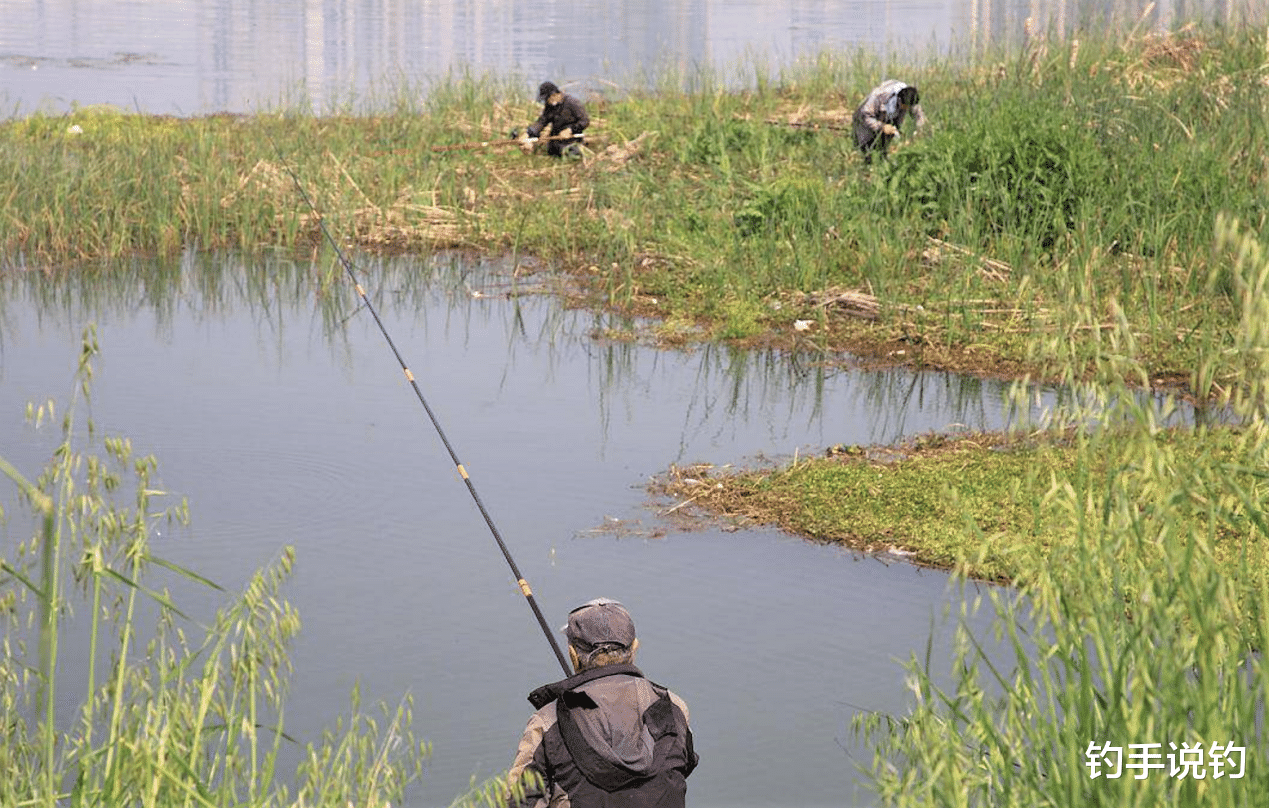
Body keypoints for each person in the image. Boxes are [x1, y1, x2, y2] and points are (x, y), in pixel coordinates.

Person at [506, 598, 698, 808]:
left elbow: (519, 802)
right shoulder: (672, 708)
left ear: (572, 654)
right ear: (634, 648)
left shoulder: (549, 720)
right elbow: (681, 769)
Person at [852, 79, 927, 163]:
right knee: (865, 149)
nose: (906, 109)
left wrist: (914, 138)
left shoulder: (910, 97)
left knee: (885, 148)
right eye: (905, 106)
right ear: (899, 99)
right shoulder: (879, 96)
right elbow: (865, 116)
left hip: (887, 117)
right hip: (866, 119)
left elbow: (920, 118)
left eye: (908, 107)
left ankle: (883, 160)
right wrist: (882, 126)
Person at [514, 81, 590, 158]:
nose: (546, 101)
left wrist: (570, 130)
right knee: (548, 150)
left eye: (547, 99)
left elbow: (584, 121)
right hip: (555, 140)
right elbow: (542, 121)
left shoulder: (572, 102)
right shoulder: (550, 106)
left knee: (572, 153)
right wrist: (528, 133)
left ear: (554, 95)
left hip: (572, 139)